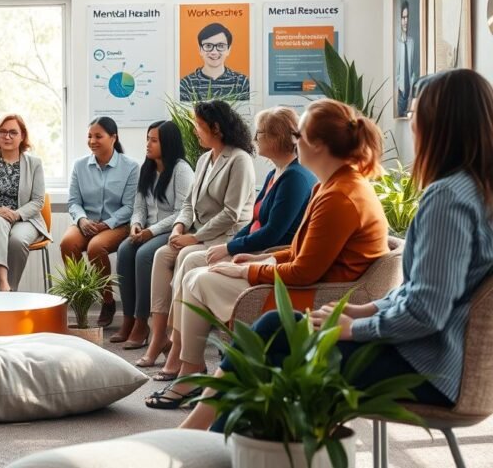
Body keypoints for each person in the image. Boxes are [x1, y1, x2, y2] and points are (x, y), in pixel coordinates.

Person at [182, 68, 493, 429]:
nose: (412, 125)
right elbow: (422, 295)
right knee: (272, 329)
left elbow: (426, 312)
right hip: (432, 360)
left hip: (424, 367)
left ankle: (197, 441)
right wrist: (362, 312)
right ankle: (201, 439)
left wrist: (352, 330)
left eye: (415, 115)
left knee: (269, 342)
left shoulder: (447, 199)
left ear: (439, 125)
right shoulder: (474, 192)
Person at [153, 99, 388, 409]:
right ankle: (192, 369)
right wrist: (260, 259)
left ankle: (191, 371)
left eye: (299, 135)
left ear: (317, 145)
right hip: (308, 283)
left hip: (315, 296)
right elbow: (303, 249)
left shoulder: (340, 196)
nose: (295, 141)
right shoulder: (330, 186)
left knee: (198, 280)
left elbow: (305, 271)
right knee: (198, 274)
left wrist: (245, 271)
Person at [148, 108, 316, 400]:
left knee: (193, 267)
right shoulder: (277, 173)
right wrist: (226, 246)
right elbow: (253, 222)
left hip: (268, 254)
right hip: (254, 250)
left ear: (277, 138)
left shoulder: (295, 178)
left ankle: (185, 359)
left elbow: (273, 233)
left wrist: (228, 247)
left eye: (261, 133)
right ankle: (184, 355)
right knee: (188, 263)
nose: (256, 138)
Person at [137, 100, 255, 370]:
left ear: (216, 128)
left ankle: (179, 346)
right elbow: (188, 204)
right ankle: (158, 338)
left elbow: (231, 213)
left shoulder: (240, 160)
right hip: (200, 234)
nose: (195, 132)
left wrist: (195, 238)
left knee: (186, 257)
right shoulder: (204, 159)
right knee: (161, 254)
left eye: (199, 126)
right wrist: (180, 227)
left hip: (226, 237)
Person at [111, 120, 194, 348]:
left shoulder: (181, 170)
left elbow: (182, 212)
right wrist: (136, 225)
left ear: (167, 143)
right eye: (147, 138)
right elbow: (139, 207)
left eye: (153, 140)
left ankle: (141, 322)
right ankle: (128, 318)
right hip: (147, 229)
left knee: (144, 254)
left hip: (171, 229)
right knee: (125, 249)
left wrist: (151, 231)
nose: (148, 144)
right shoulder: (146, 168)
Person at [62, 117, 140, 328]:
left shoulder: (131, 167)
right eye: (89, 136)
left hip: (116, 225)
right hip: (86, 223)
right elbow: (73, 202)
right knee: (67, 243)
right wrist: (82, 220)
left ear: (113, 138)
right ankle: (82, 299)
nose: (92, 141)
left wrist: (107, 223)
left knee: (96, 247)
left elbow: (130, 206)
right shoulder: (79, 166)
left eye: (98, 136)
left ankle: (107, 300)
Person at [0, 114, 51, 292]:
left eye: (12, 132)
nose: (7, 136)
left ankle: (11, 290)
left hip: (26, 220)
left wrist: (16, 214)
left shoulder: (35, 164)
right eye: (3, 132)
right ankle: (3, 283)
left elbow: (38, 201)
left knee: (17, 240)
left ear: (22, 136)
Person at [179, 23, 250, 102]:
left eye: (221, 46)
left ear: (228, 50)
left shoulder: (242, 82)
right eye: (208, 46)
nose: (214, 52)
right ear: (200, 50)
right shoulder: (186, 84)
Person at [395, 0, 418, 117]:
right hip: (400, 93)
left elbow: (412, 68)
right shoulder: (396, 43)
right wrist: (400, 87)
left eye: (407, 17)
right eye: (403, 18)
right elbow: (396, 71)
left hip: (410, 94)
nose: (405, 21)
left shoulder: (411, 42)